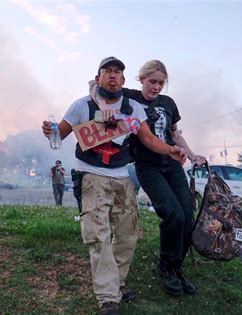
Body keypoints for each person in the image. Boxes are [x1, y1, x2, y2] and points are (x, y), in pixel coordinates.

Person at [42, 56, 186, 315]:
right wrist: (49, 129)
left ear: (122, 80)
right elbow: (59, 133)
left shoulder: (133, 108)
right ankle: (108, 297)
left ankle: (116, 281)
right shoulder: (81, 105)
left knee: (128, 234)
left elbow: (149, 138)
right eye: (107, 71)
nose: (112, 75)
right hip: (90, 175)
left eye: (118, 72)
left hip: (121, 176)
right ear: (98, 78)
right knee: (99, 235)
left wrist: (171, 150)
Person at [90, 60, 206, 297]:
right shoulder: (130, 96)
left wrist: (193, 155)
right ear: (141, 79)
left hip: (173, 164)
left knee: (186, 216)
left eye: (161, 83)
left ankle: (176, 267)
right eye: (152, 81)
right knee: (172, 214)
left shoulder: (168, 103)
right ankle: (164, 267)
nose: (156, 87)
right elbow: (93, 84)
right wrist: (103, 104)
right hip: (148, 166)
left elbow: (174, 134)